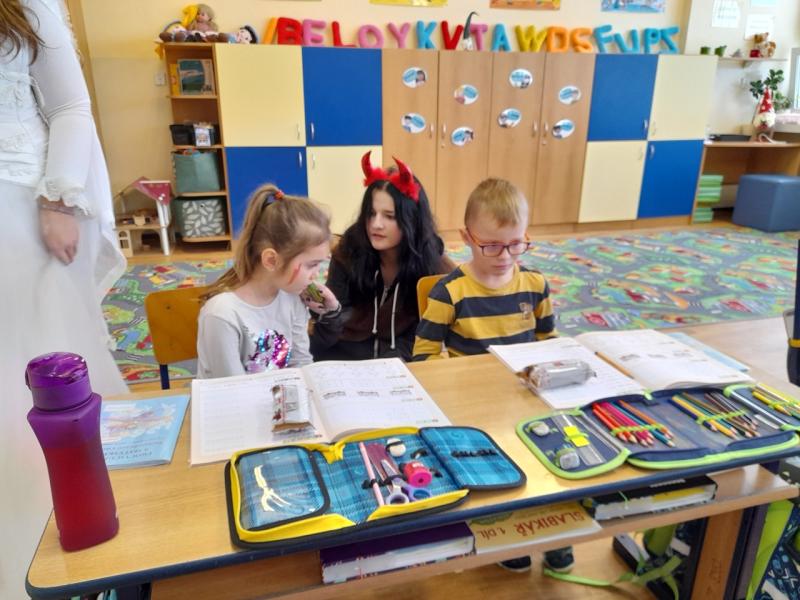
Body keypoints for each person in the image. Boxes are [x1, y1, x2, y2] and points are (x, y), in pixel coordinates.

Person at [0, 0, 128, 597]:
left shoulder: (26, 9)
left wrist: (58, 199)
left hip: (20, 207)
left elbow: (69, 106)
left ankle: (60, 515)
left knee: (37, 367)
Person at [412, 178, 573, 574]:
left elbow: (548, 342)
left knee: (557, 451)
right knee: (495, 470)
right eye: (492, 246)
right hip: (475, 407)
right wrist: (459, 383)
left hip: (526, 398)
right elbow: (423, 358)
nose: (504, 256)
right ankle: (509, 531)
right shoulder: (450, 292)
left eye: (516, 244)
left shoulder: (534, 284)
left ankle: (557, 529)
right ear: (467, 237)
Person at [310, 152, 452, 362]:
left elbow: (420, 336)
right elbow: (333, 324)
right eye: (371, 213)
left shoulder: (432, 266)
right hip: (344, 357)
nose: (376, 224)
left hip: (397, 362)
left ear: (412, 220)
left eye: (389, 216)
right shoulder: (348, 252)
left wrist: (389, 364)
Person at [197, 184, 337, 378]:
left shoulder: (292, 297)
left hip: (276, 393)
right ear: (271, 260)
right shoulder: (221, 315)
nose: (316, 275)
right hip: (236, 395)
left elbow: (301, 363)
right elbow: (233, 389)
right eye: (311, 265)